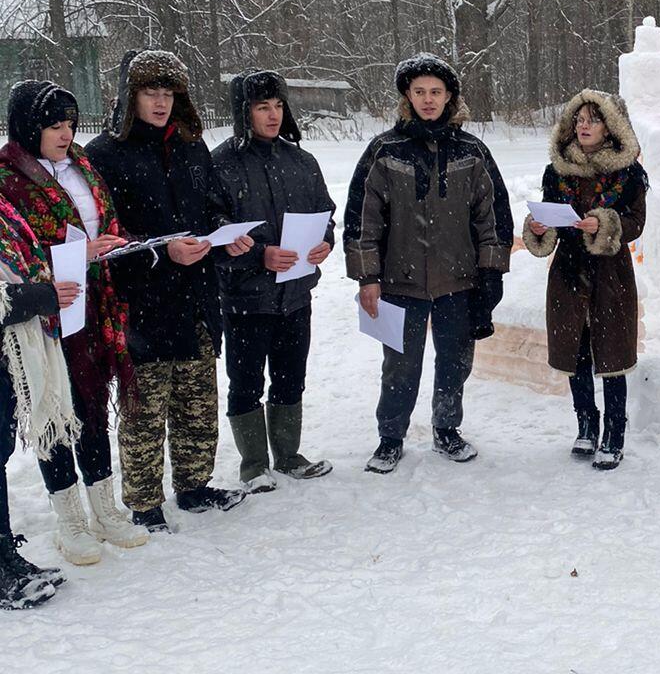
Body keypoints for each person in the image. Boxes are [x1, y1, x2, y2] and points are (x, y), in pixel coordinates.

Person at [86, 51, 254, 531]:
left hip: (197, 296)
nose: (161, 103)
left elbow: (207, 210)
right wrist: (160, 252)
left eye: (169, 93)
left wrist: (225, 237)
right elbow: (106, 238)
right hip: (142, 303)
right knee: (144, 409)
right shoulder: (103, 156)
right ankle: (143, 503)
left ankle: (195, 486)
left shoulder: (190, 147)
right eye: (150, 93)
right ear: (129, 97)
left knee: (197, 401)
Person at [344, 55, 511, 470]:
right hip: (399, 282)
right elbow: (362, 219)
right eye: (419, 92)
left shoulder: (472, 152)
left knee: (455, 360)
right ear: (407, 96)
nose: (428, 100)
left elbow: (493, 218)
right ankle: (390, 435)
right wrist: (367, 277)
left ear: (450, 96)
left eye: (436, 92)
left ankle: (447, 429)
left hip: (459, 280)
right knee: (399, 366)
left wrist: (491, 272)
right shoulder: (385, 151)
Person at [0, 81, 145, 562]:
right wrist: (78, 252)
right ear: (28, 127)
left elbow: (104, 219)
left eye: (70, 124)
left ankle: (106, 510)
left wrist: (115, 241)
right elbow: (13, 255)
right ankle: (71, 521)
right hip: (41, 316)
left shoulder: (81, 164)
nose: (65, 134)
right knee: (55, 408)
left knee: (90, 404)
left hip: (91, 302)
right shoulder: (9, 178)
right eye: (53, 125)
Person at [210, 71, 336, 489]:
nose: (273, 115)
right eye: (263, 107)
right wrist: (259, 255)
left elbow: (325, 214)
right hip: (246, 298)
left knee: (290, 376)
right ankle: (253, 464)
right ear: (244, 112)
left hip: (296, 294)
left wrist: (325, 243)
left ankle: (287, 454)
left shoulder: (302, 162)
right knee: (245, 381)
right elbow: (214, 232)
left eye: (278, 105)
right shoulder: (221, 164)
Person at [522, 90, 647, 470]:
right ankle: (586, 425)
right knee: (575, 353)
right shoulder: (556, 171)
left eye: (593, 119)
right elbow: (552, 220)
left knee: (611, 356)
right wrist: (539, 226)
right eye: (579, 120)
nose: (584, 126)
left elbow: (635, 223)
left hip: (611, 272)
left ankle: (614, 432)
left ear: (611, 126)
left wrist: (606, 224)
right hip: (568, 271)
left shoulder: (629, 174)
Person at [0, 191, 82, 608]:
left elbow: (22, 265)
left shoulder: (4, 208)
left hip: (8, 354)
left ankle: (4, 557)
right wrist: (42, 297)